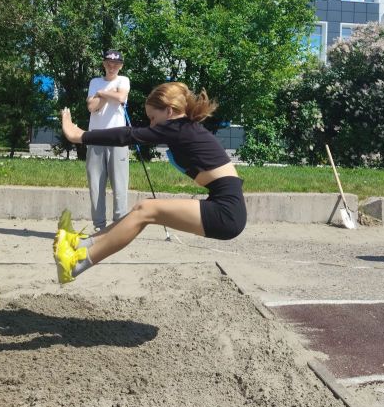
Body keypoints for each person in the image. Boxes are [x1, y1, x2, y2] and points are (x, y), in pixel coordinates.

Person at [53, 82, 246, 283]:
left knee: (146, 209)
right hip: (225, 206)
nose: (152, 125)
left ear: (169, 111)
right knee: (144, 207)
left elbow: (127, 135)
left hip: (227, 212)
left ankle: (76, 264)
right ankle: (81, 246)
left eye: (153, 118)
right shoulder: (184, 128)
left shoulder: (179, 127)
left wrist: (80, 135)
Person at [85, 50, 130, 232]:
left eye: (116, 64)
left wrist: (101, 94)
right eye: (109, 63)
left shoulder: (123, 80)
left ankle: (119, 226)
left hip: (118, 137)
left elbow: (121, 97)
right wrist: (108, 93)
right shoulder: (94, 82)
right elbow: (91, 107)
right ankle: (99, 226)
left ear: (120, 66)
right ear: (104, 64)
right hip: (95, 136)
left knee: (120, 184)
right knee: (96, 185)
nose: (112, 67)